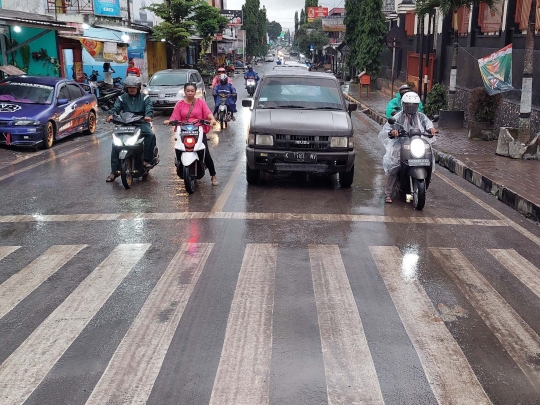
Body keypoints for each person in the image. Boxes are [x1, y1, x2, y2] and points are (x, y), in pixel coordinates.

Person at [379, 92, 436, 203]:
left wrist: (431, 129)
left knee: (427, 158)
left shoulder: (420, 116)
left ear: (417, 105)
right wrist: (393, 132)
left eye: (413, 105)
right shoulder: (398, 116)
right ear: (403, 104)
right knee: (394, 166)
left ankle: (425, 179)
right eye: (408, 105)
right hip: (401, 144)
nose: (411, 107)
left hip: (416, 143)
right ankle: (388, 193)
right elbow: (388, 128)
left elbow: (428, 123)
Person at [164, 82, 219, 186]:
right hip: (183, 130)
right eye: (188, 91)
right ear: (184, 91)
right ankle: (180, 164)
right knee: (179, 148)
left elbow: (208, 113)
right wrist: (169, 121)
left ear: (195, 92)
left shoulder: (200, 102)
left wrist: (212, 119)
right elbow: (174, 117)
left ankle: (213, 175)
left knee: (205, 152)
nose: (190, 93)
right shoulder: (179, 103)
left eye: (192, 91)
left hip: (198, 129)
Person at [105, 76, 156, 183]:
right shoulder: (122, 98)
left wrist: (148, 115)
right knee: (116, 143)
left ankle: (146, 160)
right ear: (126, 88)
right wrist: (111, 115)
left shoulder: (144, 98)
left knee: (150, 135)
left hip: (140, 123)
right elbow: (115, 108)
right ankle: (114, 171)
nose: (132, 89)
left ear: (138, 88)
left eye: (134, 87)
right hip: (124, 123)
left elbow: (149, 108)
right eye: (129, 87)